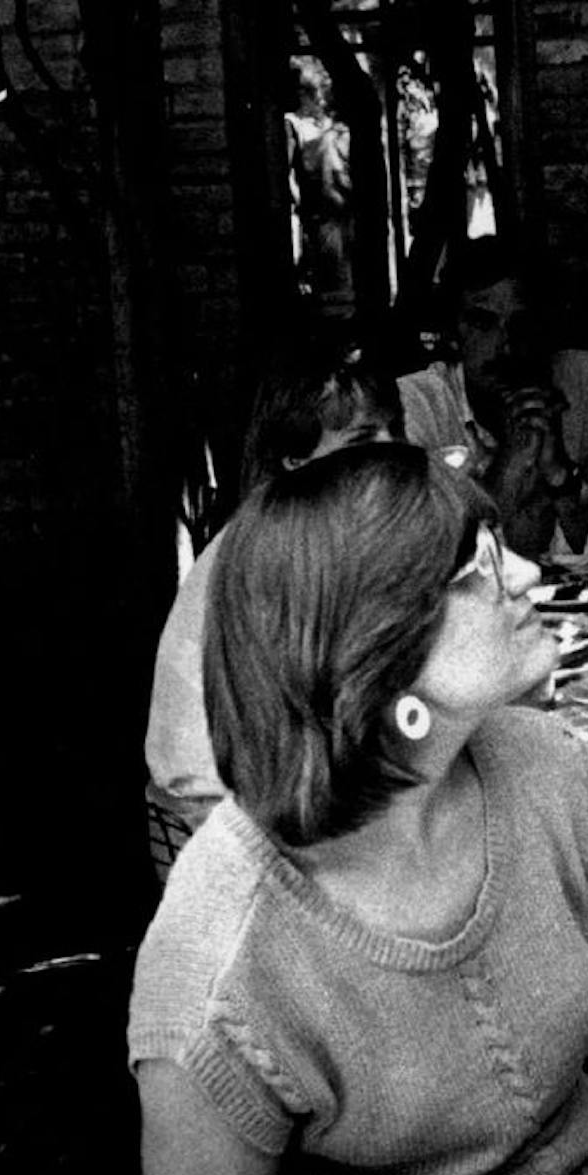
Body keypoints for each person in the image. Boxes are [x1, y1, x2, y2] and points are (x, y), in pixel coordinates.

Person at [130, 444, 588, 1175]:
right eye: (476, 569)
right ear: (382, 676)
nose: (524, 571)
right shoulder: (222, 960)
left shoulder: (545, 764)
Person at [143, 331, 403, 845]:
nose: (394, 450)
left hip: (266, 790)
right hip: (222, 820)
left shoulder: (319, 534)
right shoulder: (277, 555)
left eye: (394, 430)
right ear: (296, 462)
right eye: (362, 441)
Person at [403, 241, 588, 569]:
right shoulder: (415, 406)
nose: (505, 345)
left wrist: (563, 482)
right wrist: (512, 462)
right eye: (483, 324)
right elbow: (417, 570)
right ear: (453, 334)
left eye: (521, 324)